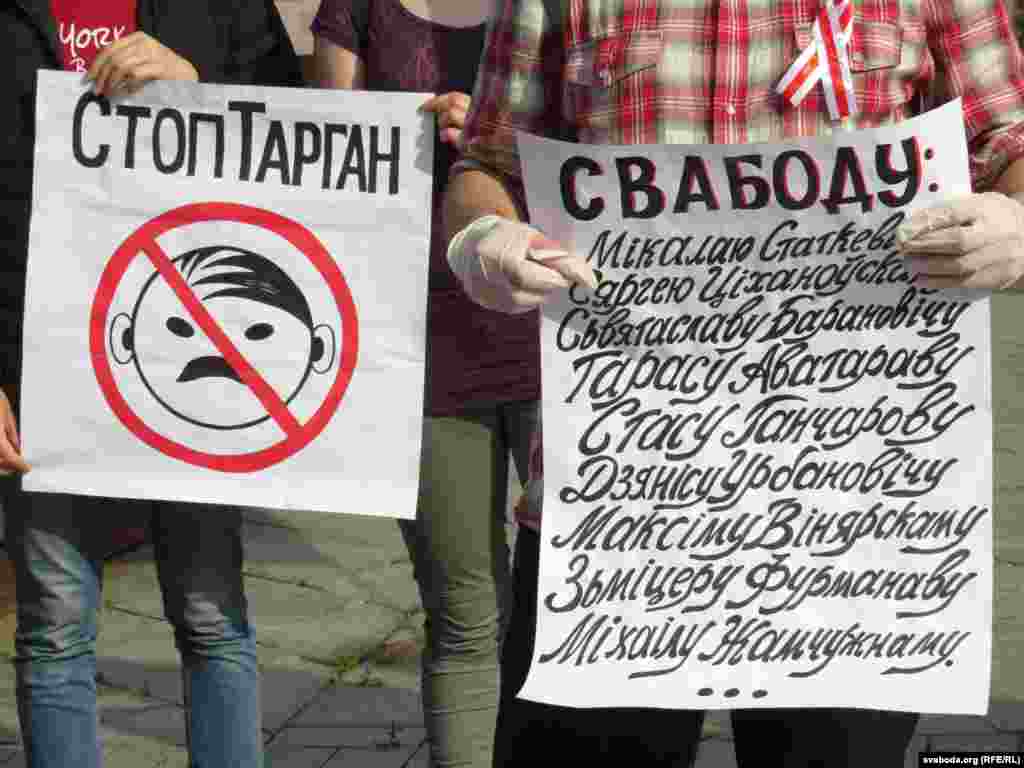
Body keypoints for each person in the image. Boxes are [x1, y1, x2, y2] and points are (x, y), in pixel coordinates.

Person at [441, 0, 1024, 766]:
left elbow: (1008, 139)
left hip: (856, 517)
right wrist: (482, 234)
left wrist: (1016, 218)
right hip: (617, 506)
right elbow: (488, 163)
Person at [0, 2, 302, 765]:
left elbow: (296, 125)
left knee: (211, 615)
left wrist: (197, 85)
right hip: (36, 356)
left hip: (190, 360)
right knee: (55, 625)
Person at [310, 2, 538, 766]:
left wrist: (496, 139)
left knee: (573, 602)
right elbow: (322, 152)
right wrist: (404, 128)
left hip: (557, 329)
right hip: (419, 342)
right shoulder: (357, 8)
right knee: (466, 615)